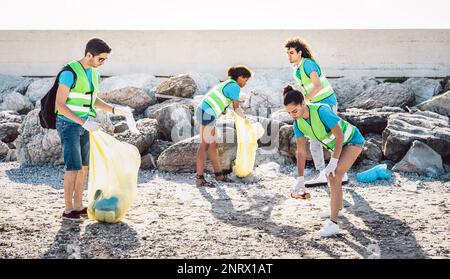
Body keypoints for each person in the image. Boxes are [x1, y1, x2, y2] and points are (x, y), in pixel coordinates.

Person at [55, 38, 132, 221]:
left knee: (83, 168)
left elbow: (92, 99)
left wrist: (114, 109)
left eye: (105, 59)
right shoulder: (69, 72)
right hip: (68, 124)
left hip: (84, 124)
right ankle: (68, 210)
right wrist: (82, 123)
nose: (102, 63)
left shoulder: (94, 73)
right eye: (100, 59)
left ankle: (78, 205)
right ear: (89, 55)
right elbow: (60, 105)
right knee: (72, 168)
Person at [283, 85, 365, 237]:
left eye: (295, 111)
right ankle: (337, 208)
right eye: (289, 113)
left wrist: (333, 161)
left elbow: (340, 136)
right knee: (333, 177)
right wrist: (300, 178)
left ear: (303, 104)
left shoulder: (322, 111)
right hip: (338, 146)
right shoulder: (298, 123)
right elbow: (300, 152)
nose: (293, 115)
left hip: (353, 140)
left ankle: (333, 224)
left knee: (334, 175)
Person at [284, 37, 348, 186]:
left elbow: (317, 85)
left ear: (300, 52)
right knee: (315, 140)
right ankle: (322, 173)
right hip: (315, 105)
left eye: (291, 52)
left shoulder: (308, 64)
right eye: (287, 53)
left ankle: (340, 173)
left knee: (332, 137)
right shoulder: (298, 68)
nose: (289, 56)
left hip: (326, 104)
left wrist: (304, 101)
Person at [195, 65, 252, 187]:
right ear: (240, 77)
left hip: (204, 110)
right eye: (246, 80)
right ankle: (199, 179)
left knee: (213, 145)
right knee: (204, 145)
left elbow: (223, 103)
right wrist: (247, 122)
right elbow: (237, 108)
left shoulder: (228, 83)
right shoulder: (235, 87)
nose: (246, 83)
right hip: (207, 113)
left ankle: (218, 174)